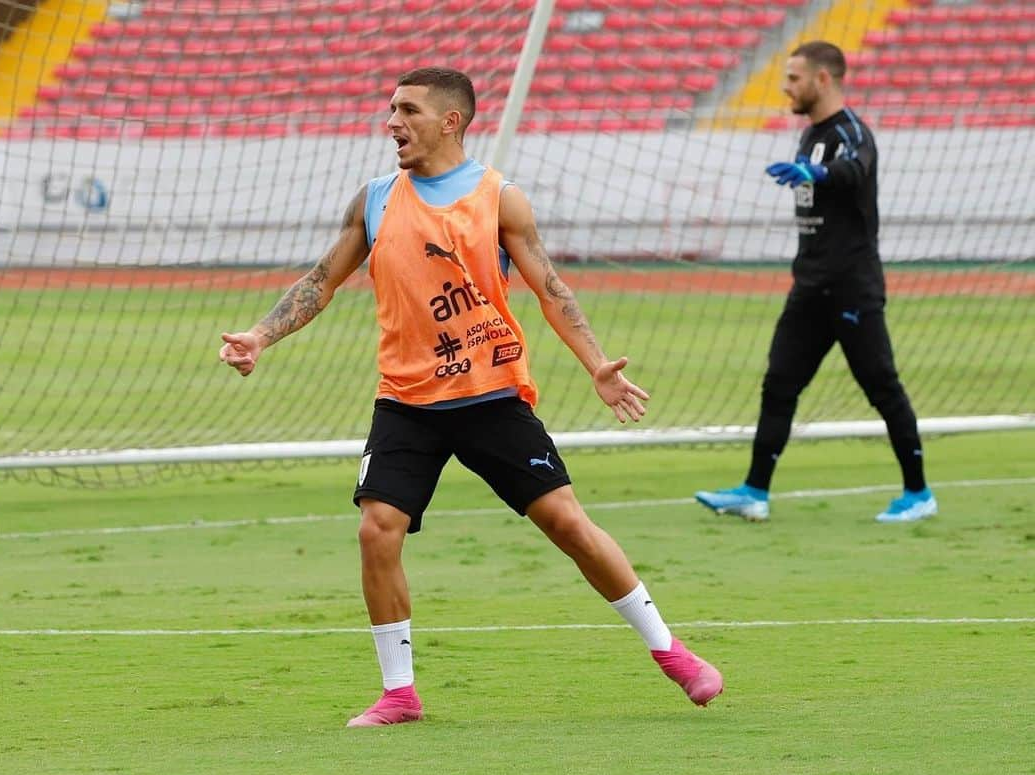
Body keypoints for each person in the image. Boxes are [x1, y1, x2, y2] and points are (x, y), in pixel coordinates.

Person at [220, 67, 723, 726]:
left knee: (567, 523)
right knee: (378, 529)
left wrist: (598, 365)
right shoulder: (373, 198)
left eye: (408, 110)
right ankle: (399, 693)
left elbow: (552, 290)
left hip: (490, 395)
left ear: (450, 121)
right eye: (391, 109)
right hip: (405, 402)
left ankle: (671, 653)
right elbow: (321, 279)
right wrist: (261, 334)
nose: (392, 122)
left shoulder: (499, 198)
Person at [695, 41, 936, 524]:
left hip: (851, 287)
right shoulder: (809, 135)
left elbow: (855, 168)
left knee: (881, 386)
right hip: (809, 287)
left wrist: (817, 171)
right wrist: (810, 166)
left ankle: (919, 494)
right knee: (779, 383)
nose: (786, 87)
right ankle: (754, 492)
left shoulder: (851, 132)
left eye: (793, 78)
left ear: (822, 79)